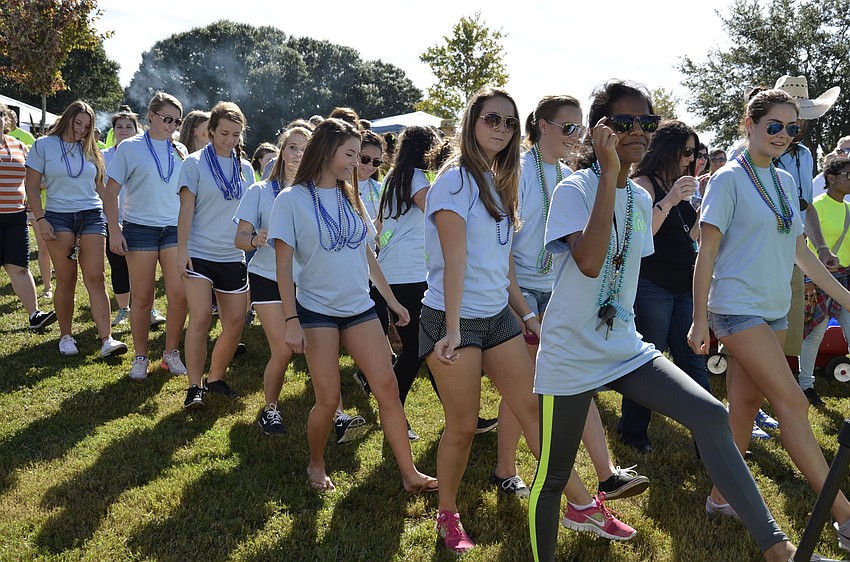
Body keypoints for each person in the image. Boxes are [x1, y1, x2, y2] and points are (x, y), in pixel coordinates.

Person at [529, 80, 810, 562]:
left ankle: (776, 548)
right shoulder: (574, 189)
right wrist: (610, 175)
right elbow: (591, 263)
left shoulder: (639, 199)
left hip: (623, 345)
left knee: (710, 413)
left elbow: (628, 263)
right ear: (599, 130)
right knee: (554, 477)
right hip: (570, 352)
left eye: (646, 122)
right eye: (623, 122)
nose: (637, 130)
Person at [422, 87, 634, 554]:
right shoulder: (454, 182)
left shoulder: (498, 180)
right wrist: (453, 329)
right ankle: (447, 513)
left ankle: (581, 506)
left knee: (533, 408)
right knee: (462, 426)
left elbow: (502, 262)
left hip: (497, 315)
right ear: (471, 122)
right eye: (490, 119)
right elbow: (454, 261)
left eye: (507, 122)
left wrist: (526, 313)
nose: (500, 129)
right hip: (452, 318)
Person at [690, 86, 850, 556]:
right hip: (736, 308)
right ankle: (845, 515)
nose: (783, 135)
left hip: (775, 307)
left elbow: (801, 251)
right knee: (793, 404)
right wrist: (699, 319)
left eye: (791, 128)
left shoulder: (782, 179)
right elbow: (707, 253)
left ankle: (720, 498)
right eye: (774, 125)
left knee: (743, 406)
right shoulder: (727, 180)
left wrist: (847, 298)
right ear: (750, 124)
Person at [267, 117, 437, 495]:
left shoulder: (351, 196)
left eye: (359, 155)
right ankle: (316, 462)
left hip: (359, 307)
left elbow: (366, 252)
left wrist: (391, 300)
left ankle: (410, 474)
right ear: (327, 151)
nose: (357, 163)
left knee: (387, 388)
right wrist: (291, 320)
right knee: (328, 400)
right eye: (350, 154)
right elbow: (282, 268)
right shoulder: (290, 200)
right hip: (316, 311)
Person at [508, 95, 649, 501]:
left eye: (580, 128)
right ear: (542, 125)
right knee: (525, 386)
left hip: (554, 287)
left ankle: (605, 474)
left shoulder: (569, 174)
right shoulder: (518, 170)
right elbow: (501, 243)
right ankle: (510, 471)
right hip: (518, 289)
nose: (577, 136)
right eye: (568, 127)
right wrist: (522, 309)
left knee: (569, 380)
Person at [617, 120, 711, 453]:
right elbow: (641, 237)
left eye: (695, 153)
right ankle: (633, 431)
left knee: (693, 359)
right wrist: (670, 199)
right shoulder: (643, 184)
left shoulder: (676, 186)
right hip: (652, 286)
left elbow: (689, 237)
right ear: (668, 149)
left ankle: (709, 435)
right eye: (687, 151)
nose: (691, 159)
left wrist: (703, 208)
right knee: (647, 361)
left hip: (683, 286)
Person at [24, 101, 127, 357]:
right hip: (58, 217)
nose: (81, 129)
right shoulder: (43, 145)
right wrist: (40, 219)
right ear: (67, 118)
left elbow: (103, 190)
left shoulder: (91, 149)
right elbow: (32, 186)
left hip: (91, 215)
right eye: (78, 122)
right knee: (66, 278)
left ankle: (107, 339)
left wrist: (113, 223)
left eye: (87, 125)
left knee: (96, 277)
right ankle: (66, 335)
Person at [104, 92, 189, 381]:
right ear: (151, 116)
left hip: (173, 229)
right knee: (142, 297)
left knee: (179, 295)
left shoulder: (180, 149)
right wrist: (114, 229)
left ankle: (170, 353)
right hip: (139, 228)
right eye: (167, 119)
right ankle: (141, 357)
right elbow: (110, 193)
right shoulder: (129, 147)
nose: (172, 125)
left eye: (177, 121)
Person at [234, 126, 310, 434]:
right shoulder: (260, 191)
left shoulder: (314, 193)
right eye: (292, 147)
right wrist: (256, 239)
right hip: (266, 276)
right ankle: (270, 409)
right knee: (283, 349)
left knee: (317, 348)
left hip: (306, 280)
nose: (298, 155)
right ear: (282, 150)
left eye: (304, 149)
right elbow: (239, 238)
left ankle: (337, 413)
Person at [176, 101, 252, 408]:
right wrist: (182, 250)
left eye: (236, 134)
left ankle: (216, 378)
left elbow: (250, 212)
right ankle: (194, 386)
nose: (230, 140)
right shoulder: (193, 163)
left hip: (233, 255)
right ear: (210, 131)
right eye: (224, 133)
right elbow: (186, 210)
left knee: (235, 322)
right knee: (201, 318)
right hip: (199, 252)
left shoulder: (246, 168)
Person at [371, 124, 441, 441]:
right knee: (416, 349)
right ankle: (392, 413)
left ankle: (460, 412)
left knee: (428, 346)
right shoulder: (415, 178)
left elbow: (383, 226)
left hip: (396, 273)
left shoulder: (394, 176)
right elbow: (437, 212)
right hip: (408, 275)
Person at [799, 155, 850, 405]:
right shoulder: (815, 206)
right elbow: (804, 246)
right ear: (831, 178)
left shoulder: (849, 209)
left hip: (845, 281)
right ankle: (806, 386)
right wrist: (807, 279)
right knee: (815, 334)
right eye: (848, 175)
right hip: (818, 279)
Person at [0, 102, 55, 330]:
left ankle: (34, 315)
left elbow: (32, 179)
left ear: (5, 119)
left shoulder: (19, 146)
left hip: (16, 217)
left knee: (20, 267)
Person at [101, 107, 136, 328]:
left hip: (138, 219)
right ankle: (124, 309)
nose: (124, 130)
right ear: (113, 131)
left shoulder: (142, 154)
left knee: (141, 268)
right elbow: (99, 188)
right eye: (119, 126)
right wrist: (112, 220)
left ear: (136, 130)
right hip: (112, 219)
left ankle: (149, 307)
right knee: (118, 265)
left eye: (129, 126)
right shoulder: (103, 156)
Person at [357, 130, 385, 221]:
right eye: (365, 159)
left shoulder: (381, 189)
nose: (370, 166)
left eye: (376, 162)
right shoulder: (338, 185)